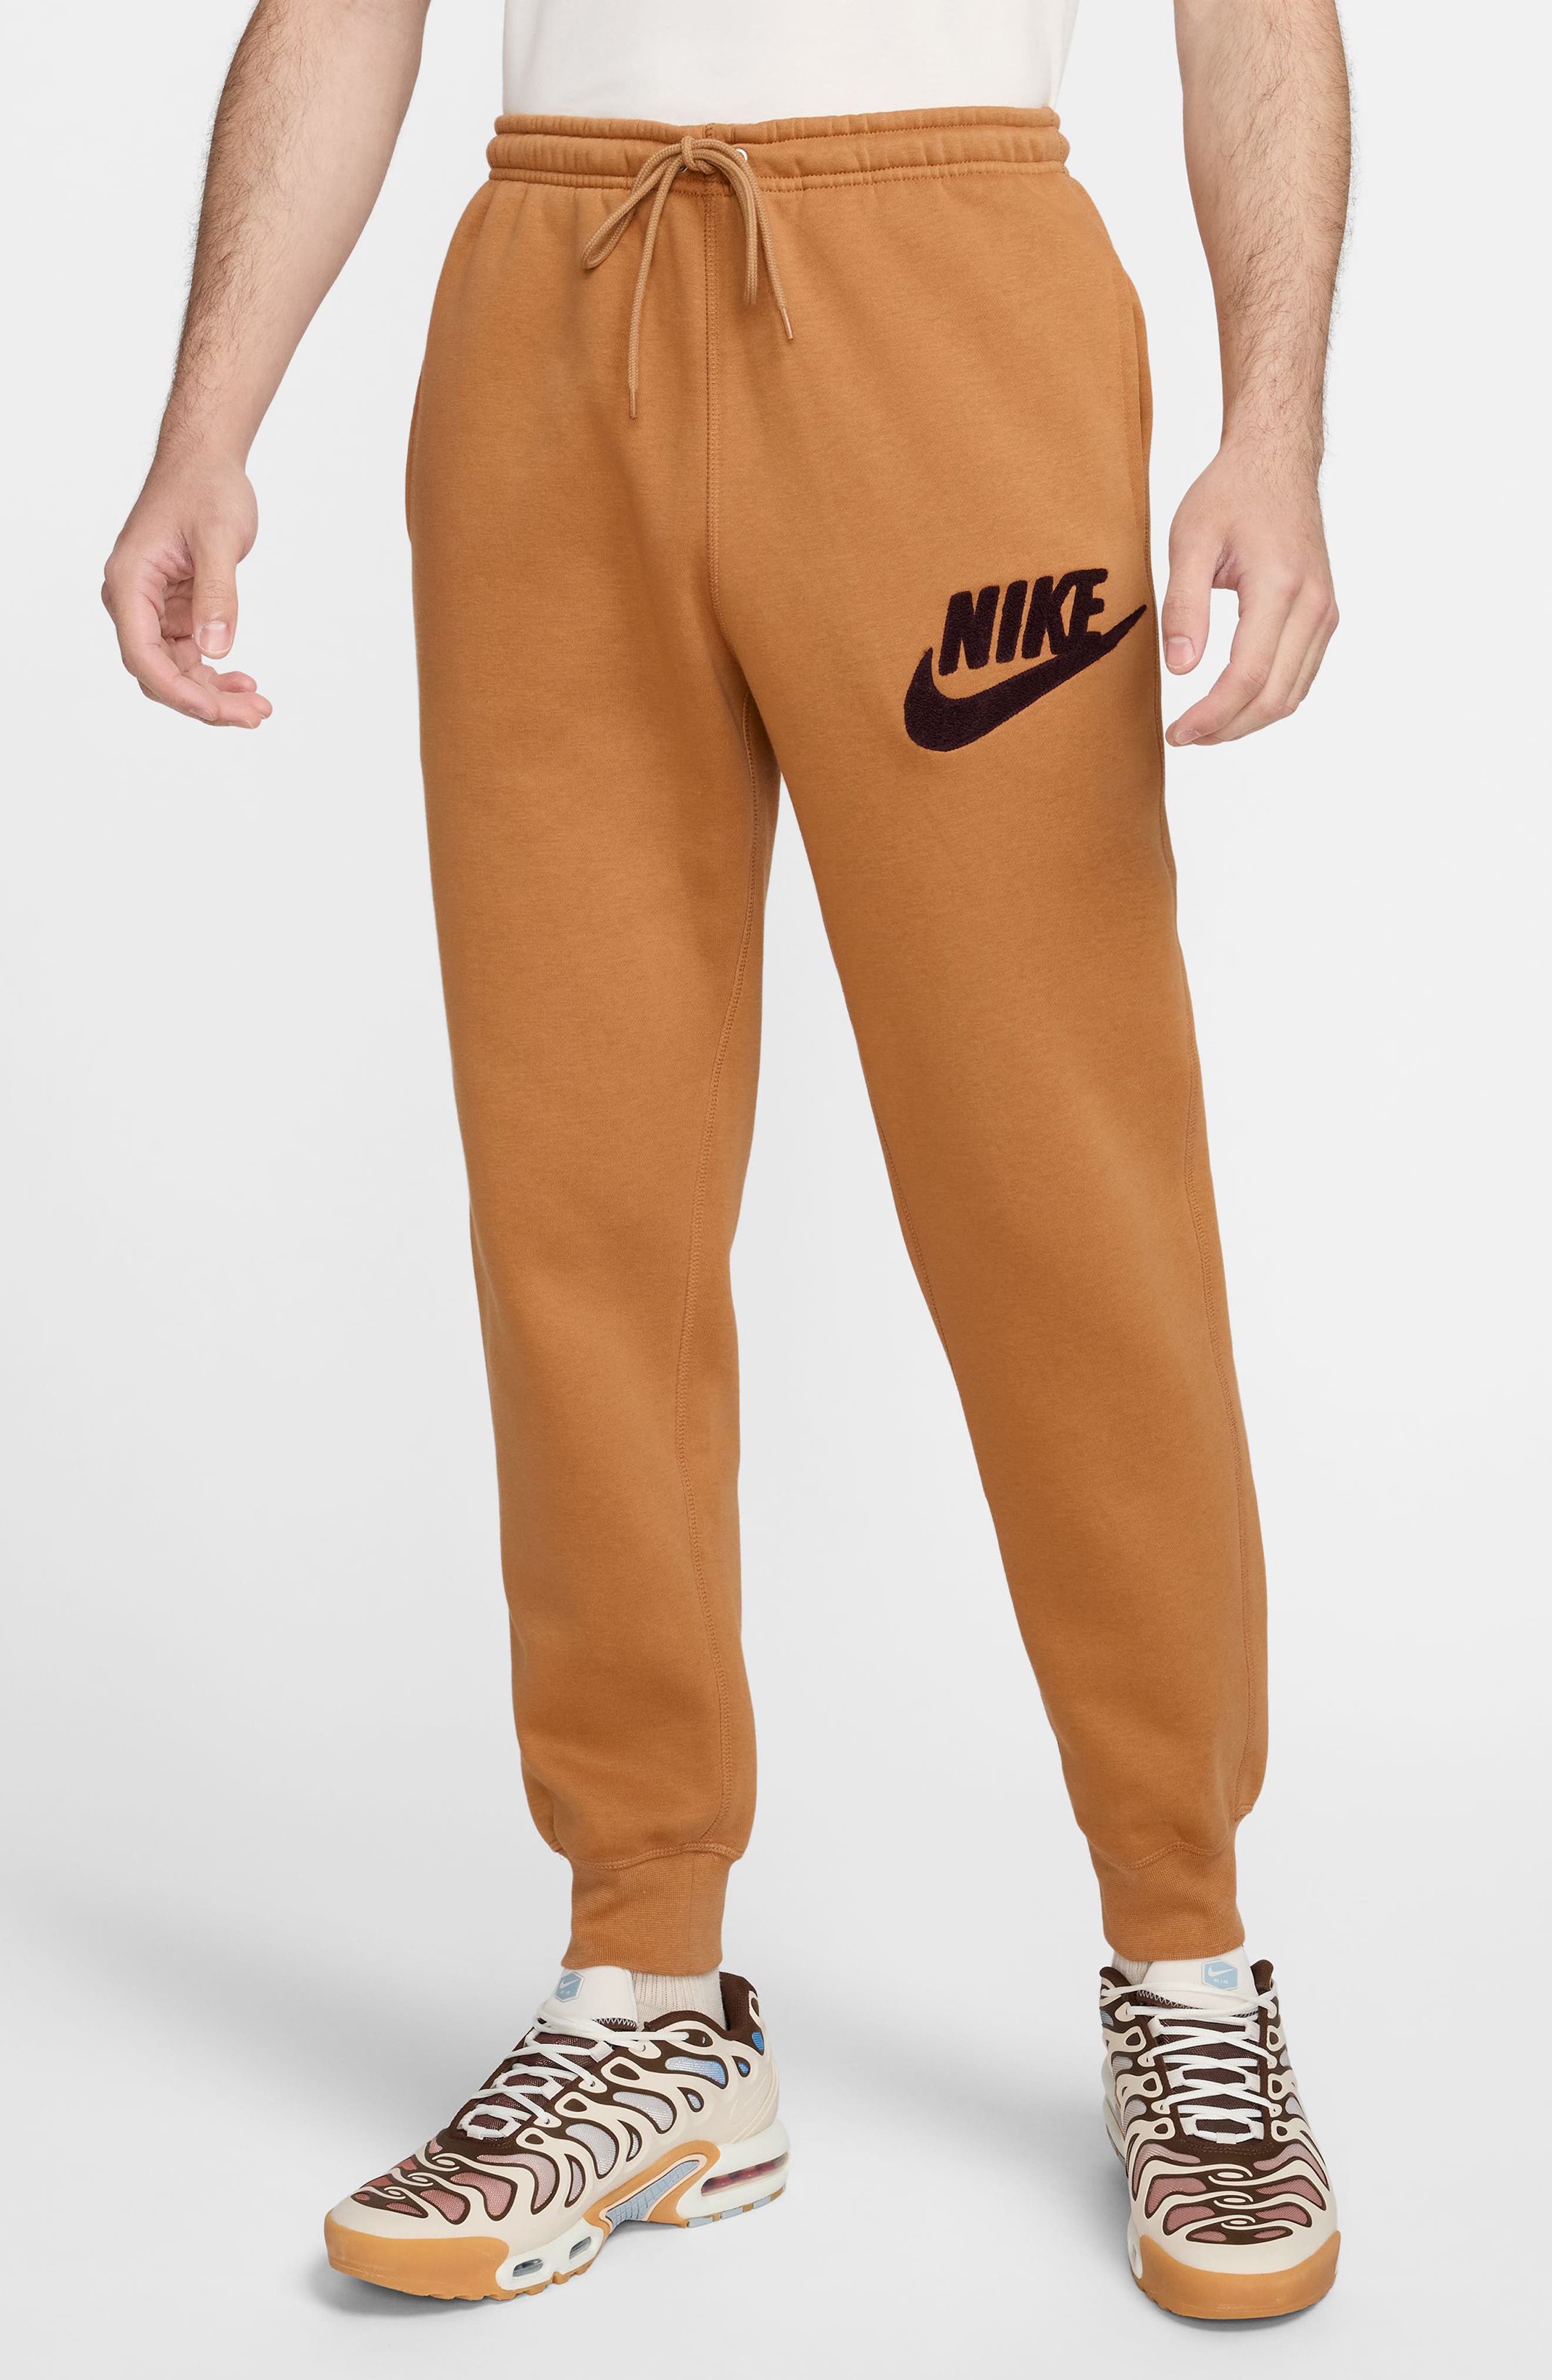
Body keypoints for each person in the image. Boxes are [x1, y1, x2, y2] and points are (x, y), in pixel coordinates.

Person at [102, 0, 1350, 2322]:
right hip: (547, 303)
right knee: (577, 1197)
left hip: (953, 291)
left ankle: (1187, 1953)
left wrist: (1271, 428)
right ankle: (649, 1989)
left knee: (1060, 1183)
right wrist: (208, 421)